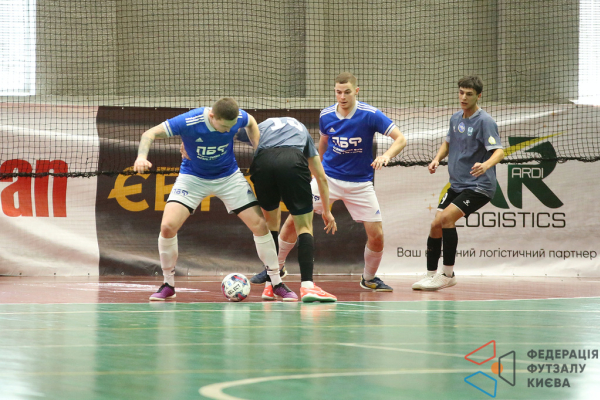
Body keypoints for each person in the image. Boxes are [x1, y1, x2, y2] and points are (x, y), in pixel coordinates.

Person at [251, 72, 407, 291]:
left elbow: (401, 139)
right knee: (293, 222)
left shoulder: (370, 114)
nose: (342, 97)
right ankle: (276, 269)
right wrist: (316, 170)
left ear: (356, 91)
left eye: (347, 92)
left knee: (377, 235)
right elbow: (322, 144)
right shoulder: (326, 115)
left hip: (360, 183)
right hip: (329, 178)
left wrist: (386, 156)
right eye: (338, 92)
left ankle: (369, 278)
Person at [133, 97, 297, 301]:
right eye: (224, 127)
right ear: (212, 116)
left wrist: (259, 151)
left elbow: (252, 122)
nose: (228, 131)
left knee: (260, 225)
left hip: (228, 177)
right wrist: (141, 157)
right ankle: (168, 285)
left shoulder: (238, 118)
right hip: (192, 178)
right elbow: (149, 134)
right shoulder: (189, 120)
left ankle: (276, 283)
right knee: (167, 226)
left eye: (231, 127)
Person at [412, 76, 504, 291]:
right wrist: (437, 159)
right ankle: (430, 275)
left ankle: (448, 275)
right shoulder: (455, 119)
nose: (463, 97)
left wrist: (485, 165)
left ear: (478, 96)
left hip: (479, 186)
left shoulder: (485, 121)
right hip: (456, 185)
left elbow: (499, 151)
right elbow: (447, 143)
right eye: (461, 92)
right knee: (435, 224)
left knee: (446, 218)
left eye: (469, 94)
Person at [248, 117, 338, 302]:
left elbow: (242, 133)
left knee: (271, 226)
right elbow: (321, 177)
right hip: (292, 160)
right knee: (304, 227)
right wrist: (327, 211)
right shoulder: (301, 128)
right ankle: (308, 286)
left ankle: (270, 286)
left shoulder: (261, 126)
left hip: (262, 162)